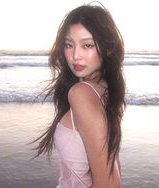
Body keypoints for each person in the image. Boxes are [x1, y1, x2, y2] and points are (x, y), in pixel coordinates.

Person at [34, 2, 125, 188]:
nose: (75, 55)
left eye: (87, 45)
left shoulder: (82, 94)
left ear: (108, 48)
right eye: (69, 44)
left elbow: (110, 184)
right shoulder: (105, 90)